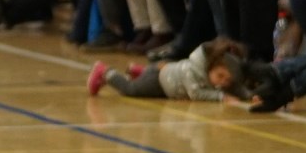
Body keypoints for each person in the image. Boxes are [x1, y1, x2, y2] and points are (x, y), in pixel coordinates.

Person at [88, 38, 258, 103]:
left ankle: (139, 71)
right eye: (221, 76)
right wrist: (222, 97)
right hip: (160, 81)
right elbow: (195, 93)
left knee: (147, 76)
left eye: (226, 80)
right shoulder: (193, 72)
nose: (223, 83)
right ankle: (105, 71)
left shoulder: (218, 74)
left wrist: (249, 95)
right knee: (130, 90)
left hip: (166, 72)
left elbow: (234, 86)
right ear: (210, 66)